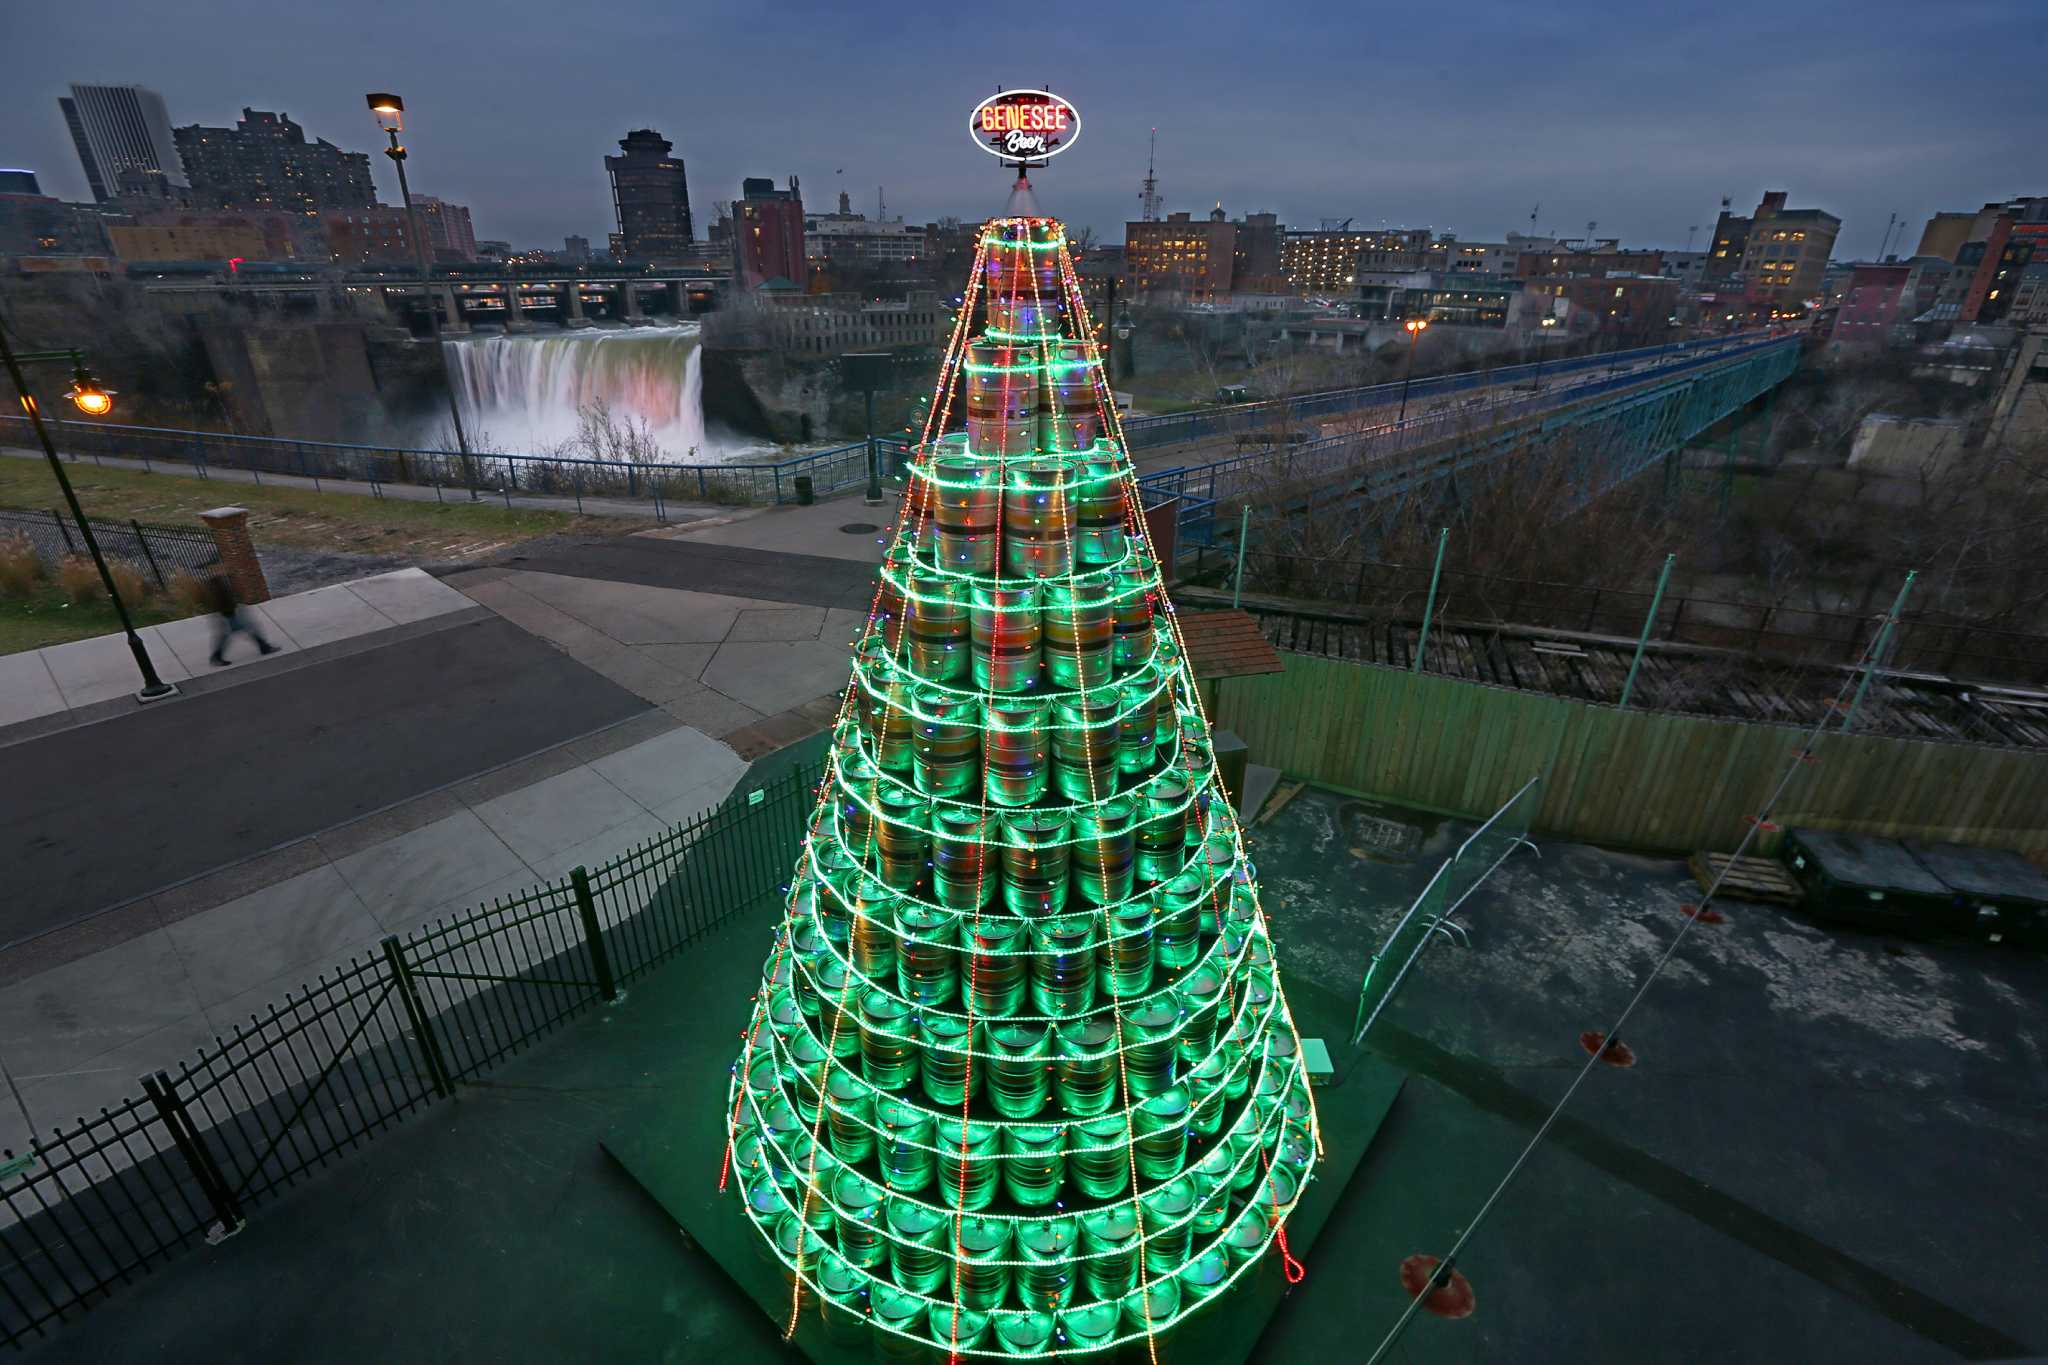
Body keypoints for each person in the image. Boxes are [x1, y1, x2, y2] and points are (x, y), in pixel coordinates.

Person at [206, 570, 278, 666]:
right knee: (248, 629)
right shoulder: (220, 590)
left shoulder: (218, 590)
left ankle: (264, 647)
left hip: (229, 615)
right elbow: (226, 602)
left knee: (245, 630)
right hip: (229, 616)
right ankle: (264, 647)